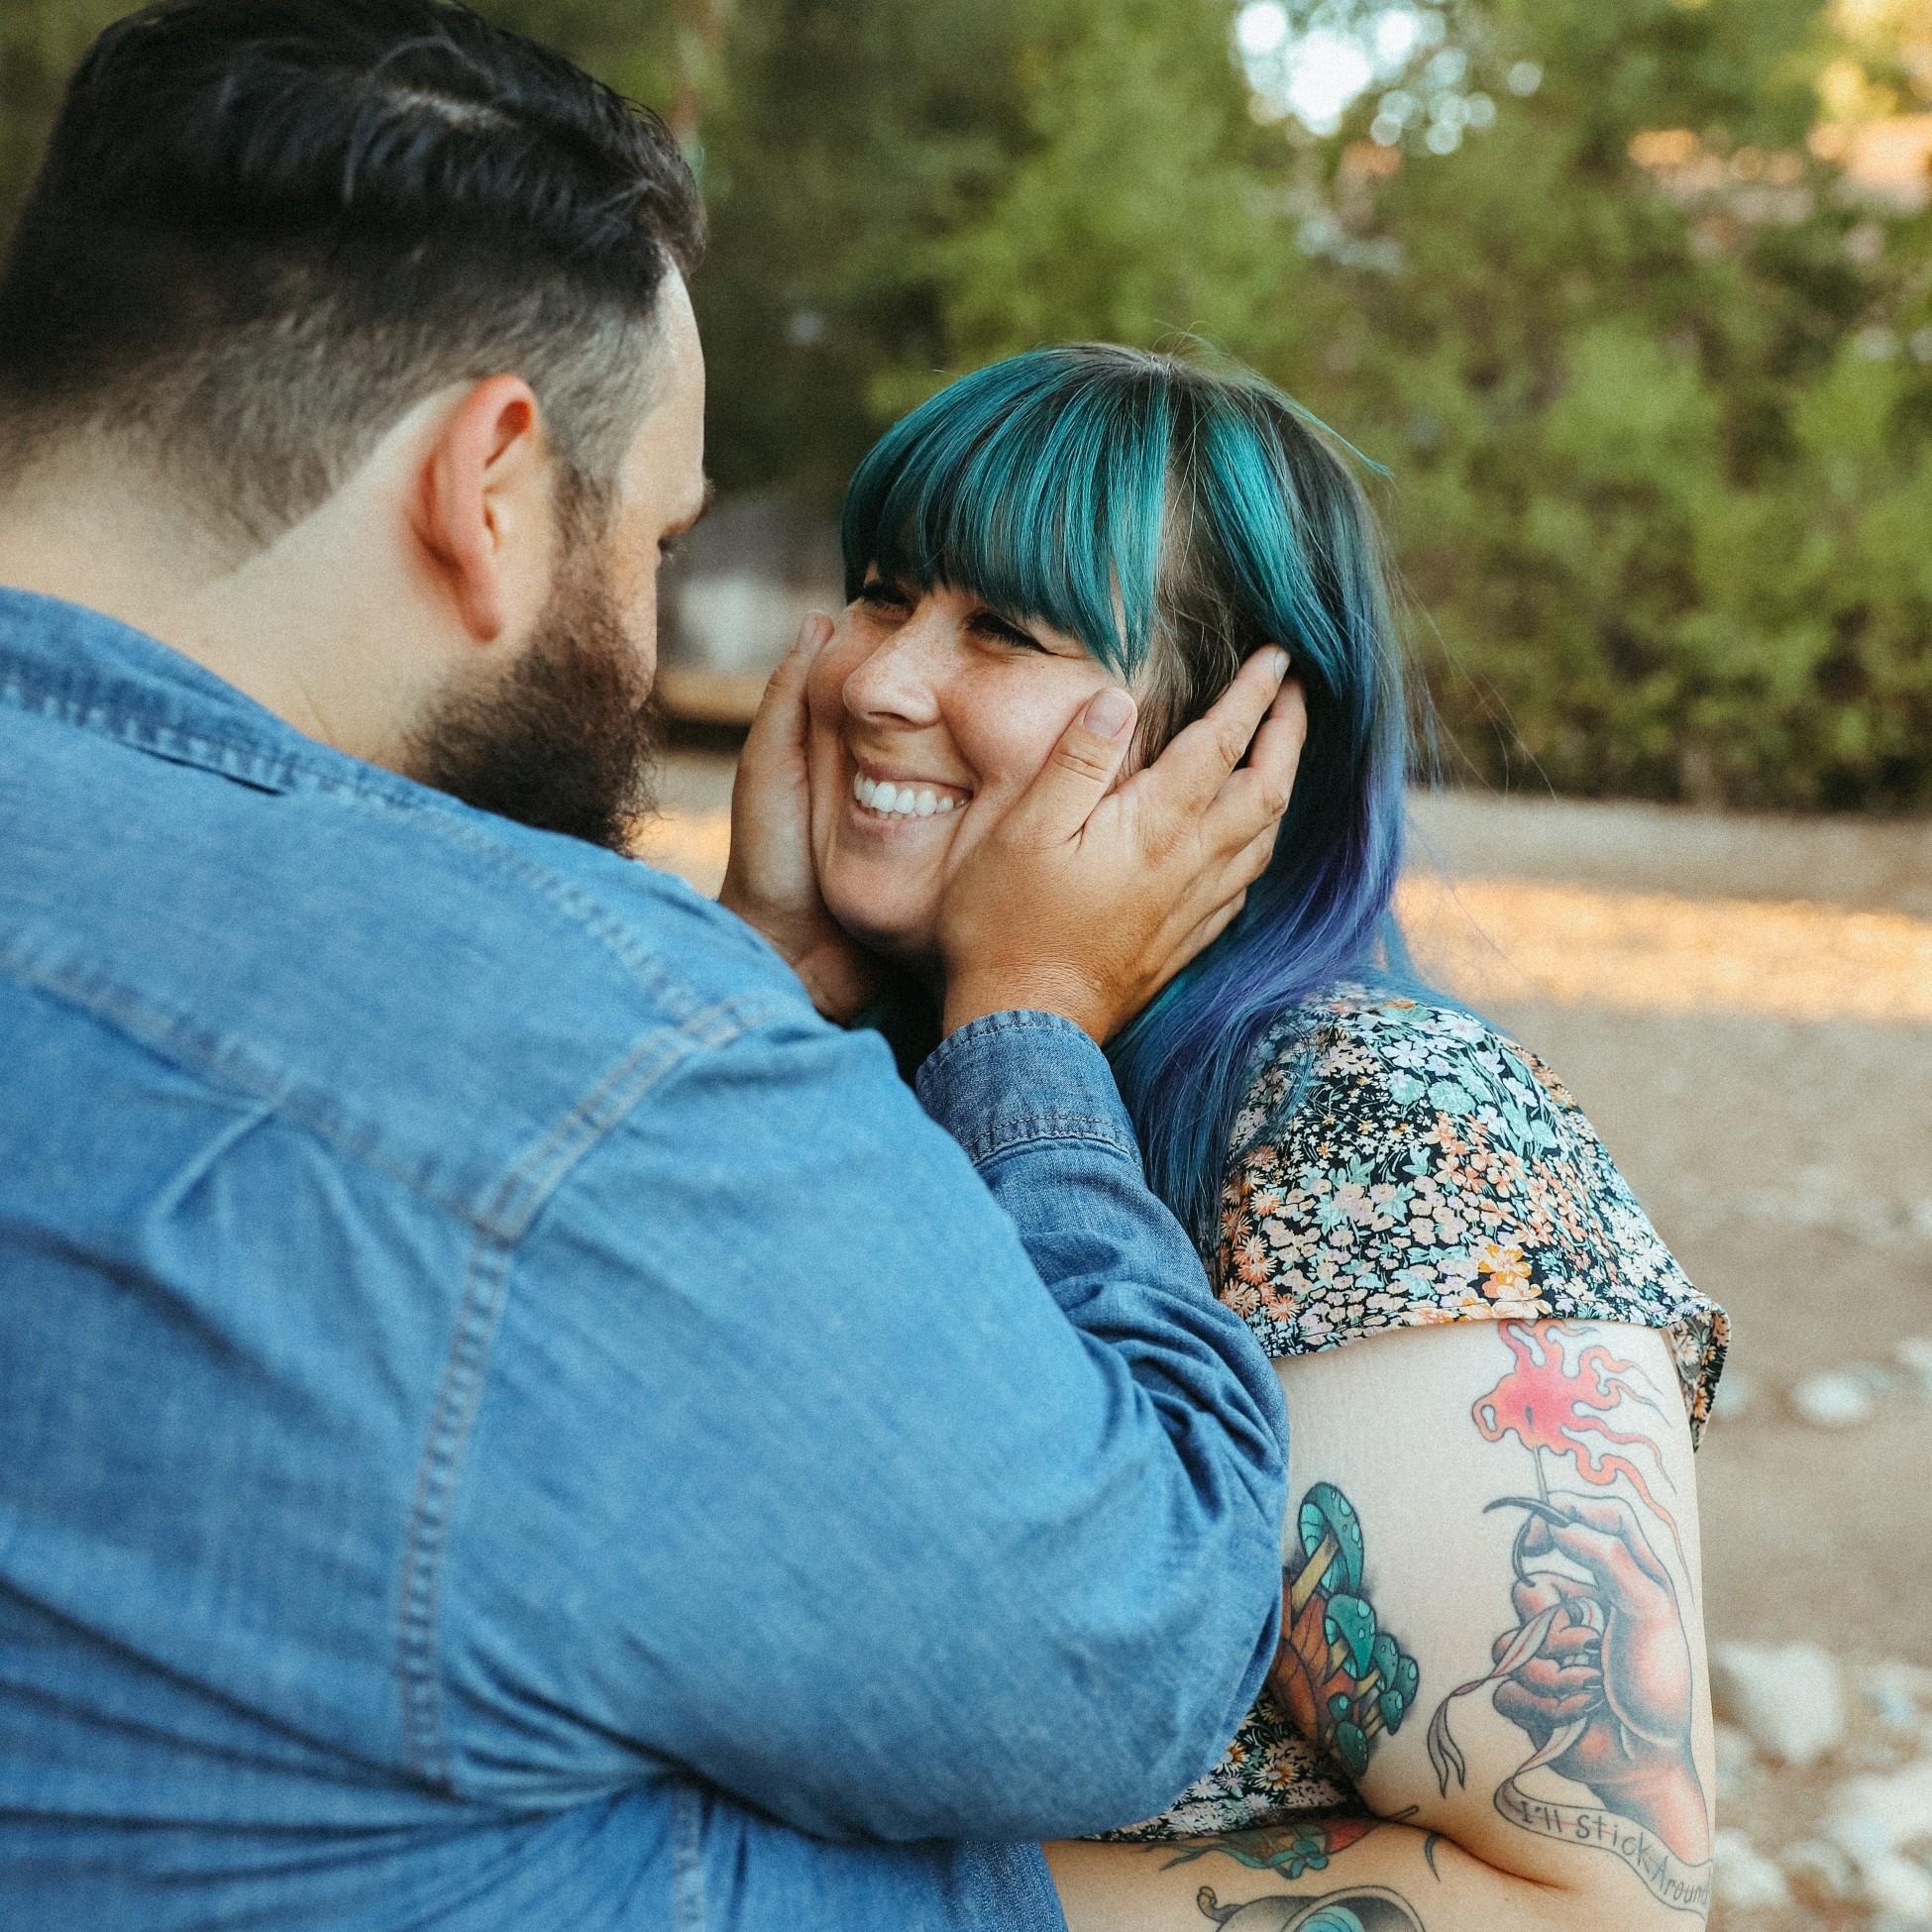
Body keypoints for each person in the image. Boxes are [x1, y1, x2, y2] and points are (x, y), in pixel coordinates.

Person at [0, 7, 1309, 1929]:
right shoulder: (574, 1045)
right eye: (660, 539)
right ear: (489, 485)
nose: (856, 676)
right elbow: (1128, 1644)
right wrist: (1027, 1028)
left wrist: (753, 976)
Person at [768, 343, 1732, 1930]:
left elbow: (1596, 1899)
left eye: (1003, 630)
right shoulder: (837, 1056)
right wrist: (758, 984)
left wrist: (794, 1908)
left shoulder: (1377, 1126)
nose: (875, 679)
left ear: (1239, 733)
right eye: (880, 595)